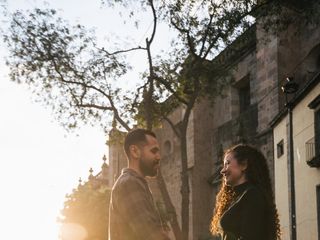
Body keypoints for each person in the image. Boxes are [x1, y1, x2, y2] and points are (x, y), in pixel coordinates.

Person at [108, 128, 170, 240]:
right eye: (153, 151)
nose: (159, 157)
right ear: (135, 151)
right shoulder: (129, 184)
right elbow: (151, 235)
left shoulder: (135, 183)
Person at [210, 144, 281, 240]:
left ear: (244, 165)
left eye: (227, 163)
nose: (222, 171)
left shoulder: (252, 195)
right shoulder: (240, 198)